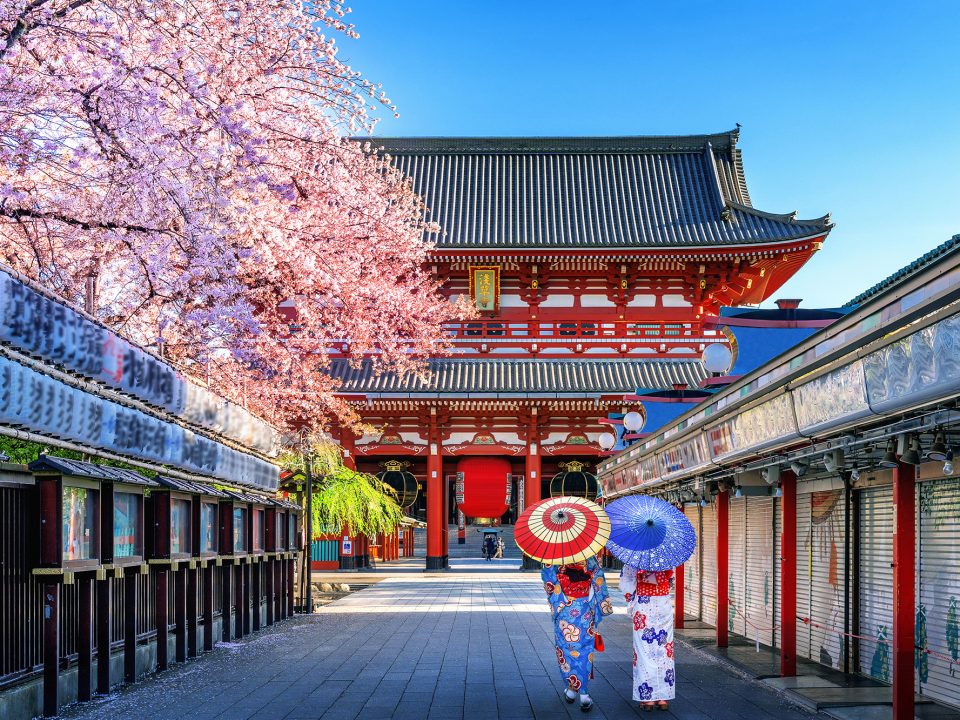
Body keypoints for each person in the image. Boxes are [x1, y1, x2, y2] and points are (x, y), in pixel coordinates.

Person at [541, 555, 614, 712]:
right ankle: (584, 694)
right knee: (585, 650)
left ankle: (572, 689)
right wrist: (601, 604)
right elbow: (598, 580)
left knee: (566, 650)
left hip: (565, 610)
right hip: (584, 610)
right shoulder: (588, 556)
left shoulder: (553, 557)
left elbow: (549, 581)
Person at [619, 565, 675, 711]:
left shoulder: (635, 555)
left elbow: (627, 585)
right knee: (664, 650)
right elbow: (670, 580)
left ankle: (647, 698)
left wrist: (631, 601)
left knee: (644, 651)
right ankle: (663, 697)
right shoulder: (666, 555)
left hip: (644, 604)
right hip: (663, 604)